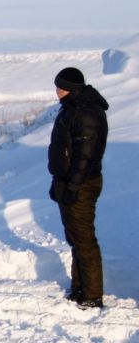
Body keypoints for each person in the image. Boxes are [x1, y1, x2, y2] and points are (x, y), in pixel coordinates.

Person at [47, 67, 108, 309]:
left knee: (84, 240)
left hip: (81, 183)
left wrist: (73, 185)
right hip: (69, 181)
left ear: (70, 89)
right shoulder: (72, 107)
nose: (57, 91)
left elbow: (85, 156)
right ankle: (79, 287)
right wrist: (58, 181)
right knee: (75, 237)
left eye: (61, 87)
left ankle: (92, 295)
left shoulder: (86, 113)